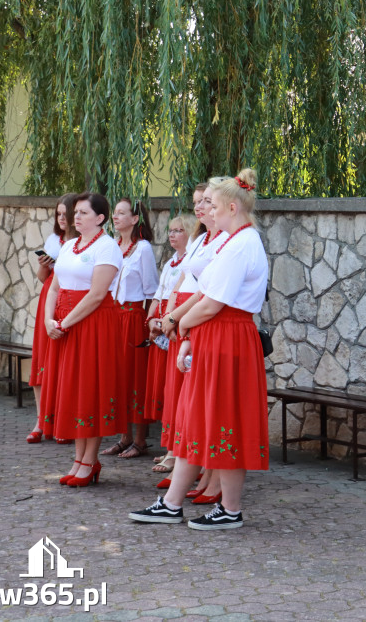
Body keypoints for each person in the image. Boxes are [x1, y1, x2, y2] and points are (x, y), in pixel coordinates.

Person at [130, 169, 269, 529]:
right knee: (197, 419)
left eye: (214, 205)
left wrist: (179, 324)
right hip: (215, 336)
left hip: (227, 336)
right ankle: (173, 503)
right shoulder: (229, 240)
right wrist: (185, 328)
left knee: (223, 420)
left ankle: (230, 509)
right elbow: (205, 295)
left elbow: (213, 303)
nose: (207, 211)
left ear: (233, 207)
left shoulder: (242, 243)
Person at [40, 193, 126, 487]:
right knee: (73, 391)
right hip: (66, 324)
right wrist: (49, 320)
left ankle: (89, 461)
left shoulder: (107, 247)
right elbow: (53, 288)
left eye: (83, 213)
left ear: (100, 218)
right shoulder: (68, 246)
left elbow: (97, 295)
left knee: (89, 390)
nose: (76, 217)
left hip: (92, 326)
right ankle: (80, 459)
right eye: (75, 212)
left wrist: (64, 322)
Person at [157, 183, 227, 502]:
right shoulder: (201, 239)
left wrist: (178, 319)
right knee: (190, 403)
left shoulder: (226, 242)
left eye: (206, 202)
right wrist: (170, 314)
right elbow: (185, 280)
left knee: (208, 404)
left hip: (204, 320)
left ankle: (214, 480)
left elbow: (208, 292)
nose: (200, 207)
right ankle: (198, 473)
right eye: (198, 202)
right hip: (189, 321)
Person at [101, 199, 159, 459]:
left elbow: (151, 290)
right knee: (118, 377)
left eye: (122, 213)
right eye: (114, 213)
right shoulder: (113, 247)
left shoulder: (143, 249)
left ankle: (139, 440)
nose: (115, 217)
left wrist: (148, 325)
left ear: (135, 219)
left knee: (135, 376)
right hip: (113, 317)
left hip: (134, 317)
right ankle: (123, 437)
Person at [144, 213, 195, 480]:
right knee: (169, 389)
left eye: (178, 231)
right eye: (170, 231)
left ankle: (177, 451)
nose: (172, 235)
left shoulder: (191, 261)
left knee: (177, 389)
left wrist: (170, 321)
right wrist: (152, 318)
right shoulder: (170, 263)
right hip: (166, 325)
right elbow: (159, 294)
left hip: (177, 327)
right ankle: (171, 446)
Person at [27, 193, 77, 444]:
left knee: (64, 362)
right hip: (49, 296)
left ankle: (62, 421)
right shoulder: (53, 239)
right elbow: (42, 278)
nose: (62, 218)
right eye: (58, 214)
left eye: (65, 213)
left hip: (70, 302)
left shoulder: (83, 243)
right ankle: (40, 420)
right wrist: (44, 264)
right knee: (42, 358)